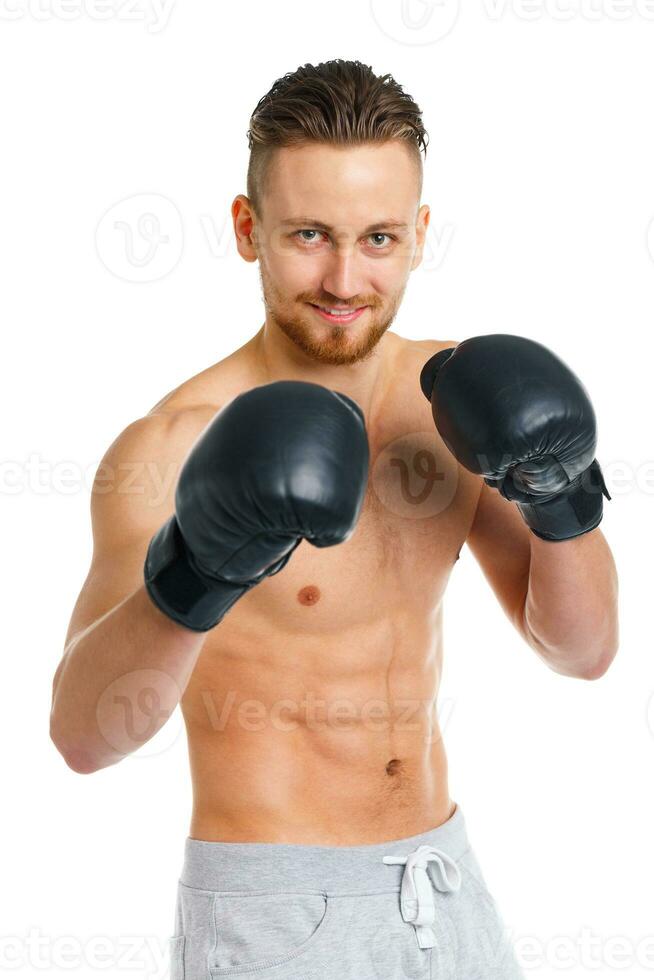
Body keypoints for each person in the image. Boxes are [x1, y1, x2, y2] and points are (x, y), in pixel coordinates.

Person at [49, 59, 618, 979]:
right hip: (275, 915)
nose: (346, 277)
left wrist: (564, 499)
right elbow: (83, 736)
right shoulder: (170, 446)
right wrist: (202, 567)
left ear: (421, 233)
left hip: (447, 885)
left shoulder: (458, 403)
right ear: (248, 229)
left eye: (380, 238)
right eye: (310, 234)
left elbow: (582, 651)